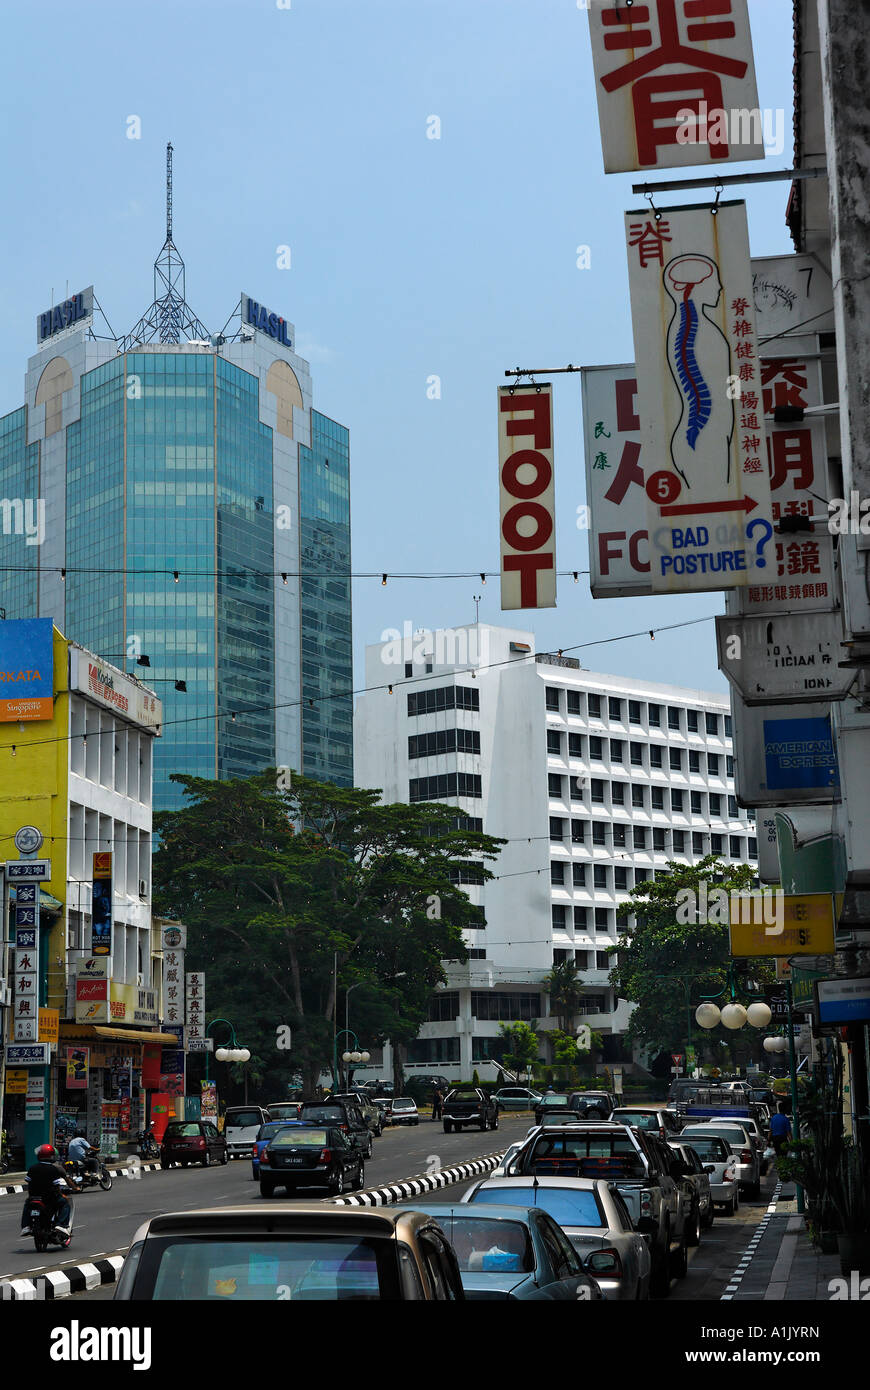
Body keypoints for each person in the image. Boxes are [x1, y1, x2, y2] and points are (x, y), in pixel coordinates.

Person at [20, 1144, 72, 1239]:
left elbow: (29, 1183)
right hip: (50, 1198)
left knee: (27, 1204)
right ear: (51, 1156)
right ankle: (61, 1225)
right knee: (65, 1203)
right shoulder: (53, 1169)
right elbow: (56, 1186)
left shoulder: (32, 1168)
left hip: (34, 1197)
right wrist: (61, 1195)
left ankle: (26, 1226)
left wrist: (31, 1196)